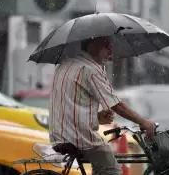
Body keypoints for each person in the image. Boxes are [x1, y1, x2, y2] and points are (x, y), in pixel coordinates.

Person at [49, 36, 156, 175]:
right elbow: (117, 106)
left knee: (102, 167)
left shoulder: (65, 64)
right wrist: (143, 122)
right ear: (93, 45)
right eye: (106, 44)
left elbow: (69, 105)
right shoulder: (90, 69)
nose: (110, 48)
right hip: (78, 137)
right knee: (111, 170)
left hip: (59, 134)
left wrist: (97, 117)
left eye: (110, 44)